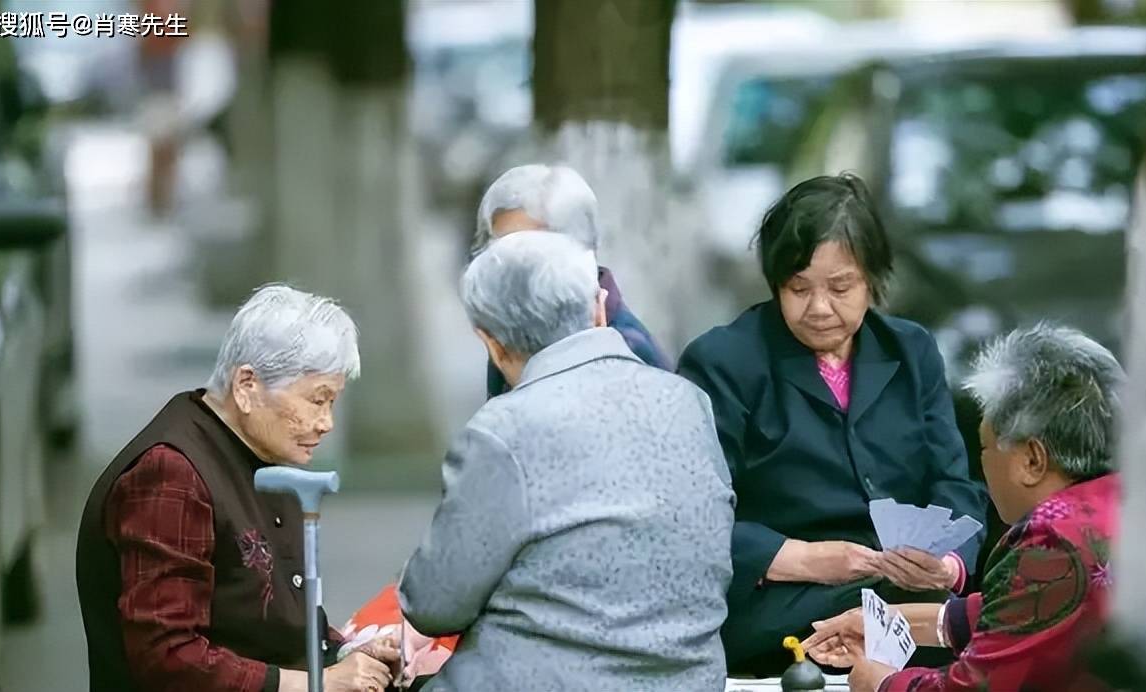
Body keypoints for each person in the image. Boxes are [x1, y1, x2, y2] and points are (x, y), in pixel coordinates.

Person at [677, 173, 988, 675]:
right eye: (798, 288)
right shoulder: (723, 362)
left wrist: (947, 564)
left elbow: (955, 481)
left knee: (976, 610)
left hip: (906, 590)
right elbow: (690, 511)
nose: (819, 308)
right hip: (778, 601)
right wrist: (801, 557)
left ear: (872, 280)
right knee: (923, 618)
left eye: (841, 287)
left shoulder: (910, 352)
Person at [397, 231, 735, 691]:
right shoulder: (689, 402)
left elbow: (433, 604)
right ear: (598, 309)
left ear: (490, 342)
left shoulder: (504, 429)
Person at [77, 285, 398, 692]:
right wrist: (318, 684)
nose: (326, 422)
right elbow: (166, 657)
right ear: (247, 386)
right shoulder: (171, 473)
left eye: (332, 402)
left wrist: (347, 653)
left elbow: (276, 623)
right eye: (317, 400)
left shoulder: (263, 449)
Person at [804, 324, 1125, 692]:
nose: (981, 467)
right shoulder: (1124, 504)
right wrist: (887, 620)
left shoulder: (1052, 539)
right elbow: (1022, 615)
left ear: (1032, 460)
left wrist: (884, 684)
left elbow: (976, 686)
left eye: (984, 448)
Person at [473, 163, 672, 397]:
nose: (510, 270)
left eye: (531, 252)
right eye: (499, 253)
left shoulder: (627, 352)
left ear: (583, 250)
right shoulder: (518, 327)